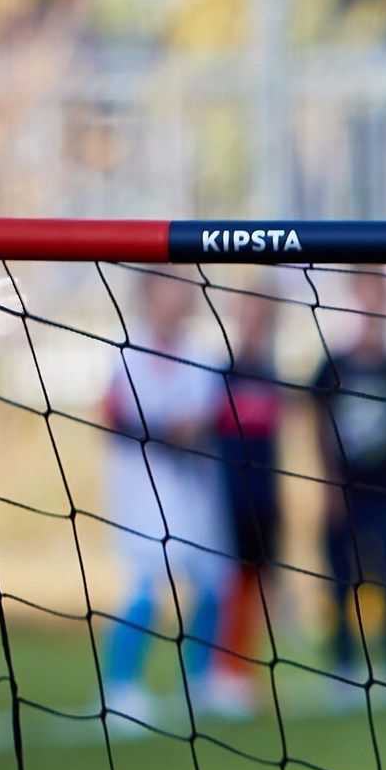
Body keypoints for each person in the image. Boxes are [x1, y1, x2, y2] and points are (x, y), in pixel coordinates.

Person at [98, 275, 228, 727]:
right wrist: (170, 429)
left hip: (194, 487)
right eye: (167, 288)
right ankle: (120, 688)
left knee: (213, 582)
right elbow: (119, 414)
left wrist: (178, 428)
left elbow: (205, 417)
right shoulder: (126, 354)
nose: (177, 297)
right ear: (148, 294)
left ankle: (201, 682)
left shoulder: (203, 355)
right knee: (144, 584)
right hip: (140, 489)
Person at [311, 271, 386, 686]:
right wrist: (329, 487)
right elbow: (319, 428)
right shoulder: (331, 368)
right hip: (346, 494)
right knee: (341, 578)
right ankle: (342, 663)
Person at [207, 280, 286, 710]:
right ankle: (220, 673)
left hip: (265, 500)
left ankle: (243, 673)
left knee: (260, 586)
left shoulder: (272, 377)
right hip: (228, 501)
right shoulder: (222, 375)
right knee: (227, 585)